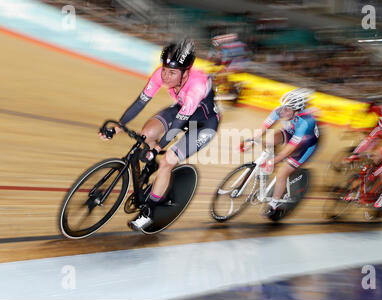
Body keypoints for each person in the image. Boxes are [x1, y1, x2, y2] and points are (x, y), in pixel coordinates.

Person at [99, 39, 220, 231]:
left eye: (172, 73)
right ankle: (151, 169)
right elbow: (140, 103)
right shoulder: (160, 74)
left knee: (168, 160)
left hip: (203, 124)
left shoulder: (197, 85)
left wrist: (158, 148)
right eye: (164, 69)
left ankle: (149, 212)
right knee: (145, 135)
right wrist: (119, 126)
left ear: (186, 73)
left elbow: (180, 122)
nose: (165, 76)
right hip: (180, 110)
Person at [240, 88, 318, 218]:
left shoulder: (305, 122)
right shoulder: (280, 111)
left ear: (297, 111)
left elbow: (290, 149)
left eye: (287, 109)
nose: (282, 111)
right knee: (268, 140)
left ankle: (274, 205)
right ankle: (272, 164)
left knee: (282, 173)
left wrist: (273, 161)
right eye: (283, 107)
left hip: (306, 144)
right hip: (291, 132)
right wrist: (251, 140)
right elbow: (264, 127)